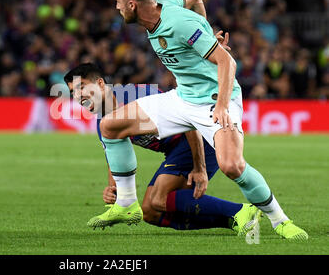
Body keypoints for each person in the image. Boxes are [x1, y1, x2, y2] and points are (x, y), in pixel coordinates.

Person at [96, 0, 307, 240]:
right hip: (182, 98)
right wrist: (206, 34)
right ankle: (126, 205)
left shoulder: (178, 23)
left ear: (132, 5)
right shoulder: (164, 4)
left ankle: (280, 220)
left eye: (117, 2)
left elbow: (228, 63)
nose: (116, 7)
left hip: (214, 100)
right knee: (110, 125)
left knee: (232, 166)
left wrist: (221, 104)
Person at [64, 63, 262, 235]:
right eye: (73, 93)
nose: (78, 96)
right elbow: (115, 161)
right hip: (176, 151)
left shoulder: (139, 95)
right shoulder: (104, 126)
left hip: (202, 140)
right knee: (150, 212)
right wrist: (113, 190)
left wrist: (198, 166)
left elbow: (188, 120)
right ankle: (232, 219)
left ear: (100, 84)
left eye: (82, 88)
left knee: (160, 198)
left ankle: (240, 211)